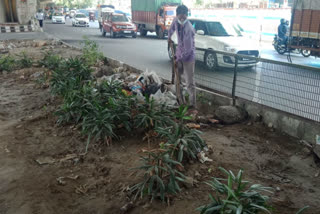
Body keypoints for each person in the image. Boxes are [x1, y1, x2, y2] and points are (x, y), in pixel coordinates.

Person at [168, 5, 196, 109]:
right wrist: (169, 37)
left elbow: (188, 50)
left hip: (188, 58)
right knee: (177, 79)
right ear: (177, 15)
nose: (182, 18)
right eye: (180, 16)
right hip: (179, 54)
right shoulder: (176, 21)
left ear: (187, 15)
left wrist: (177, 59)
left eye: (184, 16)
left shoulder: (188, 28)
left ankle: (192, 104)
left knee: (189, 82)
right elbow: (171, 29)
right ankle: (179, 100)